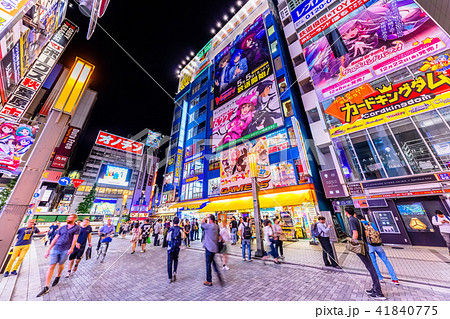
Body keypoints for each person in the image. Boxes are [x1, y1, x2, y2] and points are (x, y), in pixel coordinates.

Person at [344, 207, 386, 300]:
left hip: (360, 247)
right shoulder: (358, 220)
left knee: (370, 267)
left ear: (346, 213)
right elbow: (365, 233)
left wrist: (353, 243)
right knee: (370, 266)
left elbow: (355, 234)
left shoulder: (351, 220)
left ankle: (378, 292)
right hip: (364, 245)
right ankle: (374, 288)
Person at [37, 214, 80, 297]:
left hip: (65, 249)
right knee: (52, 265)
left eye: (70, 217)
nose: (68, 218)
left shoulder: (76, 228)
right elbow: (55, 238)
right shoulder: (62, 228)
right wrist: (49, 249)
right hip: (56, 248)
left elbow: (75, 238)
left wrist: (71, 248)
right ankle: (46, 286)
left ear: (75, 218)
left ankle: (58, 275)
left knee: (61, 264)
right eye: (68, 217)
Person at [359, 216, 399, 284]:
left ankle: (380, 278)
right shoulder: (371, 223)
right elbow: (377, 233)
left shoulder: (360, 225)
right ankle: (394, 279)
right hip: (378, 245)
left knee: (374, 262)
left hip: (370, 245)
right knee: (386, 260)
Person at [201, 214, 223, 286]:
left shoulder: (208, 226)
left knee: (208, 264)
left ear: (210, 220)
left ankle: (209, 280)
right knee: (214, 263)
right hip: (214, 248)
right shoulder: (216, 226)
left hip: (208, 248)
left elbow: (202, 223)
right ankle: (219, 275)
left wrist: (205, 218)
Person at [167, 217, 183, 283]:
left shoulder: (170, 229)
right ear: (178, 222)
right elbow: (182, 237)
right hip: (177, 247)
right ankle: (174, 272)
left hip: (170, 248)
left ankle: (170, 277)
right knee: (176, 259)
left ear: (173, 222)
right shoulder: (180, 229)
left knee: (169, 262)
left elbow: (167, 239)